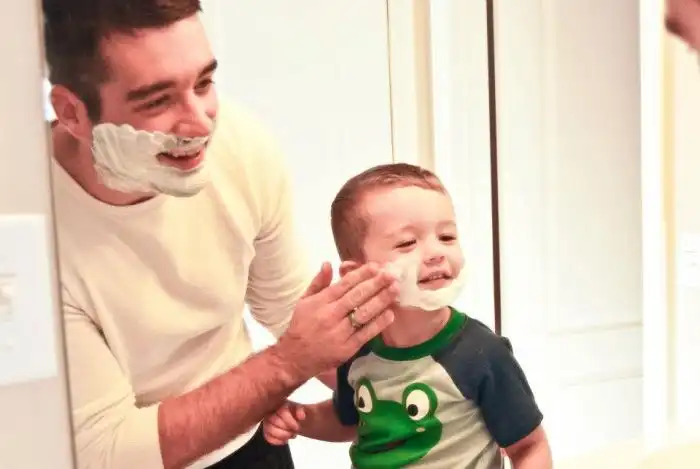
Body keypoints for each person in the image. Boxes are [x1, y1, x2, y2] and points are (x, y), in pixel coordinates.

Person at [42, 1, 399, 468]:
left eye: (204, 83)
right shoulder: (27, 233)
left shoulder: (239, 145)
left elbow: (285, 303)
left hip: (250, 437)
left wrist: (408, 394)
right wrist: (289, 362)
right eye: (157, 100)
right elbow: (109, 450)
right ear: (72, 112)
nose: (201, 123)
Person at [262, 163, 553, 469]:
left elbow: (530, 447)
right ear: (358, 275)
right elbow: (351, 420)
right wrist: (302, 419)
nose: (436, 252)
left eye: (447, 237)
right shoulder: (356, 349)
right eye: (407, 243)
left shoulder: (482, 354)